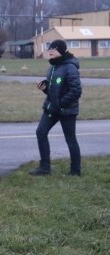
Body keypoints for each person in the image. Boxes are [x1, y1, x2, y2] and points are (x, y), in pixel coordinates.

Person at [30, 39, 82, 176]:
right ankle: (44, 168)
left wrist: (60, 103)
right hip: (52, 108)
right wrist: (45, 88)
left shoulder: (70, 67)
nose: (50, 51)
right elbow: (53, 91)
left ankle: (75, 171)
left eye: (54, 48)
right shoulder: (53, 67)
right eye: (50, 48)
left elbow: (76, 91)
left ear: (62, 50)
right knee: (41, 132)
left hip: (67, 110)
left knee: (70, 139)